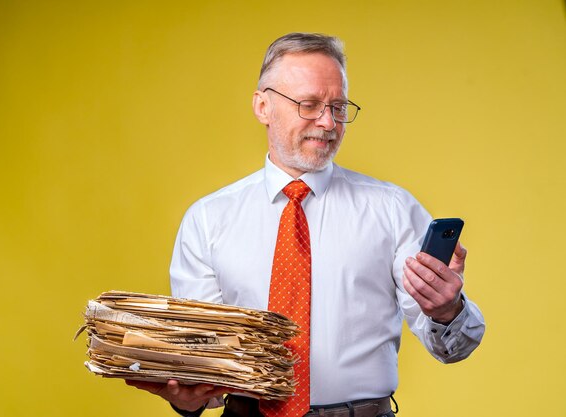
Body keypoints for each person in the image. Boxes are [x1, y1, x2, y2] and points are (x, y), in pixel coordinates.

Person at [126, 32, 485, 417]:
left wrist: (447, 310)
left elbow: (451, 348)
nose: (328, 122)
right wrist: (188, 398)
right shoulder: (208, 220)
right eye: (309, 105)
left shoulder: (392, 208)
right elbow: (205, 364)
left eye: (338, 106)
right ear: (263, 106)